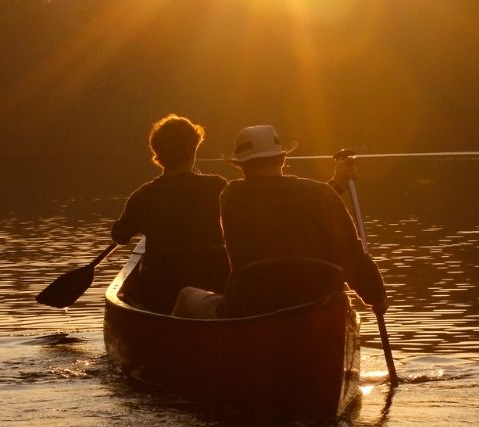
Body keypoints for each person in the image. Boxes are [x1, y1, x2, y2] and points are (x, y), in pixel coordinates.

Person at [174, 124, 386, 318]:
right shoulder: (321, 195)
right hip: (317, 305)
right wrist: (377, 297)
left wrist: (335, 186)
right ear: (283, 159)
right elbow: (352, 255)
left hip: (252, 308)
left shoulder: (231, 196)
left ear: (240, 166)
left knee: (186, 295)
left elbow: (278, 204)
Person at [109, 114, 230, 313]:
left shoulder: (143, 196)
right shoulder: (218, 187)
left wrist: (119, 225)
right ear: (194, 149)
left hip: (162, 288)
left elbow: (120, 237)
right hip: (213, 281)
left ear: (157, 154)